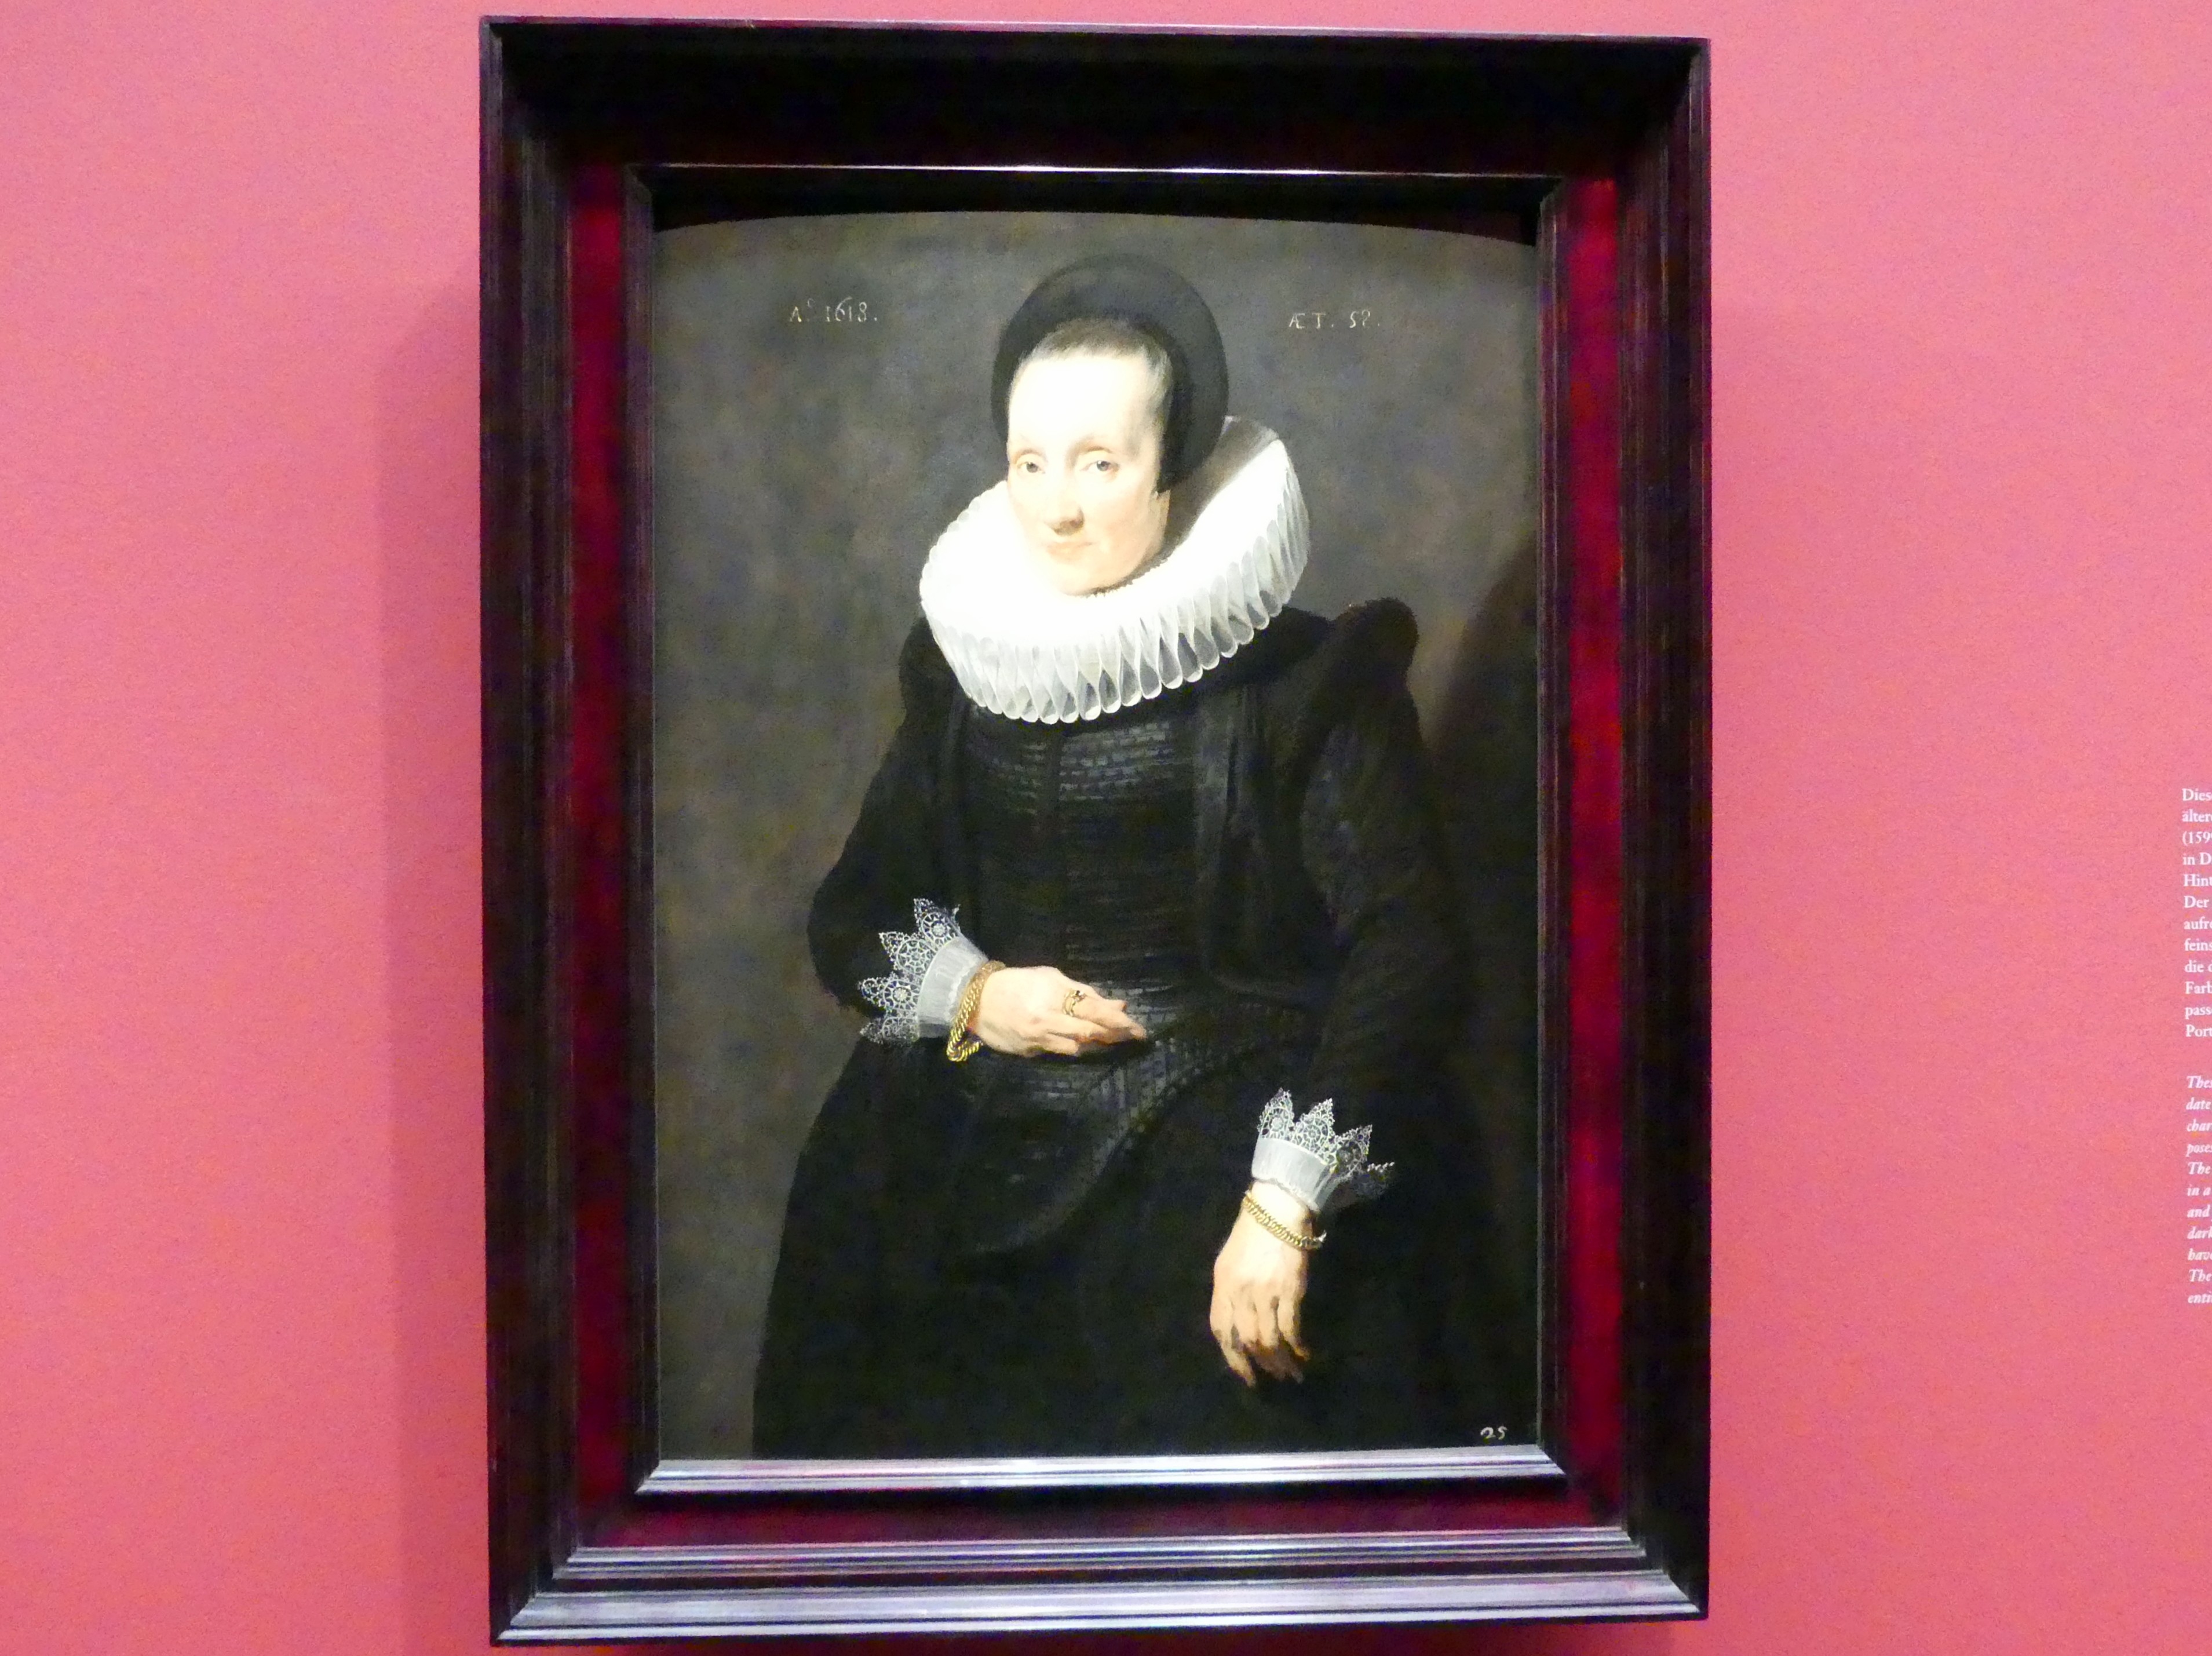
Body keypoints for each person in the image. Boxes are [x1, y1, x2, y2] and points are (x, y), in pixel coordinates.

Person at [753, 256, 1474, 1457]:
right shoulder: (964, 673)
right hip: (969, 1121)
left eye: (1099, 463)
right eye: (1030, 463)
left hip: (1224, 1133)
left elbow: (1408, 948)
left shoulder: (1305, 682)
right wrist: (981, 993)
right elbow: (854, 913)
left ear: (1170, 465)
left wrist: (1283, 1202)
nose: (1059, 507)